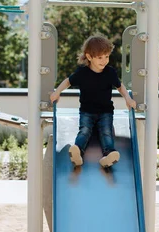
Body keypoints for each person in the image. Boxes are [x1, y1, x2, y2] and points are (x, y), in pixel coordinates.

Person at [50, 35, 137, 168]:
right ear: (89, 57)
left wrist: (128, 99)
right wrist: (57, 92)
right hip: (87, 111)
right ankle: (77, 151)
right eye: (100, 57)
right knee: (84, 131)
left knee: (106, 132)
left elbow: (120, 86)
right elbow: (68, 81)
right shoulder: (82, 73)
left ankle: (109, 155)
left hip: (105, 112)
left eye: (107, 56)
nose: (104, 61)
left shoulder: (110, 73)